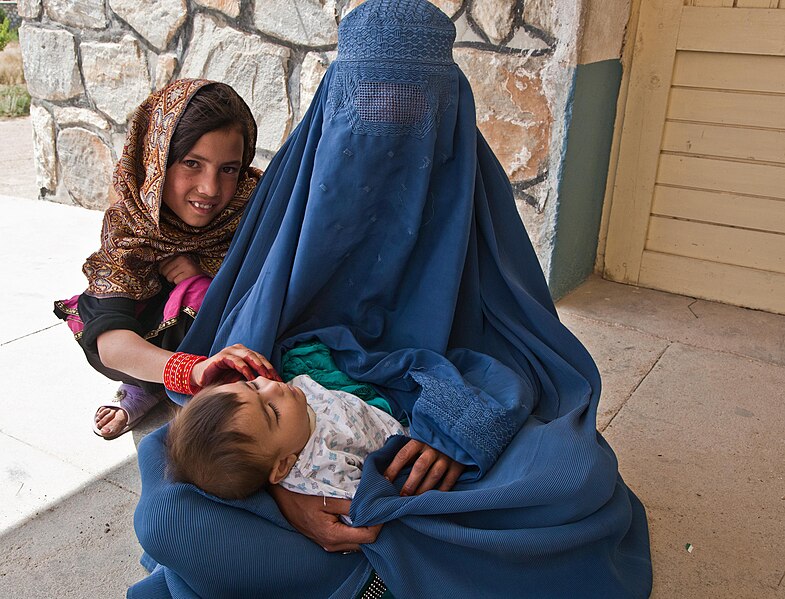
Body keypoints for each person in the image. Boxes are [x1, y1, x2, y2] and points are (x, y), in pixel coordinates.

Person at [130, 1, 653, 597]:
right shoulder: (300, 204)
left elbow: (521, 354)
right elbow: (239, 390)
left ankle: (345, 572)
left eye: (414, 109)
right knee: (170, 475)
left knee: (575, 474)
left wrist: (459, 426)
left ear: (450, 115)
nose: (389, 130)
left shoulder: (468, 199)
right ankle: (361, 567)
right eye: (368, 106)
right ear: (332, 113)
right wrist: (285, 488)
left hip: (432, 422)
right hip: (291, 452)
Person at [54, 79, 267, 439]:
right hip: (167, 346)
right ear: (156, 162)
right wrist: (194, 372)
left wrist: (201, 278)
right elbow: (112, 345)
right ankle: (149, 386)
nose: (210, 189)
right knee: (104, 315)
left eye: (229, 168)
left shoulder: (254, 207)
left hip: (235, 339)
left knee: (212, 292)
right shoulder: (131, 226)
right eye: (192, 163)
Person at [167, 372, 407, 501]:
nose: (272, 387)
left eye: (252, 385)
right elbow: (372, 500)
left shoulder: (293, 404)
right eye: (272, 411)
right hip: (407, 441)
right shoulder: (324, 469)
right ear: (283, 466)